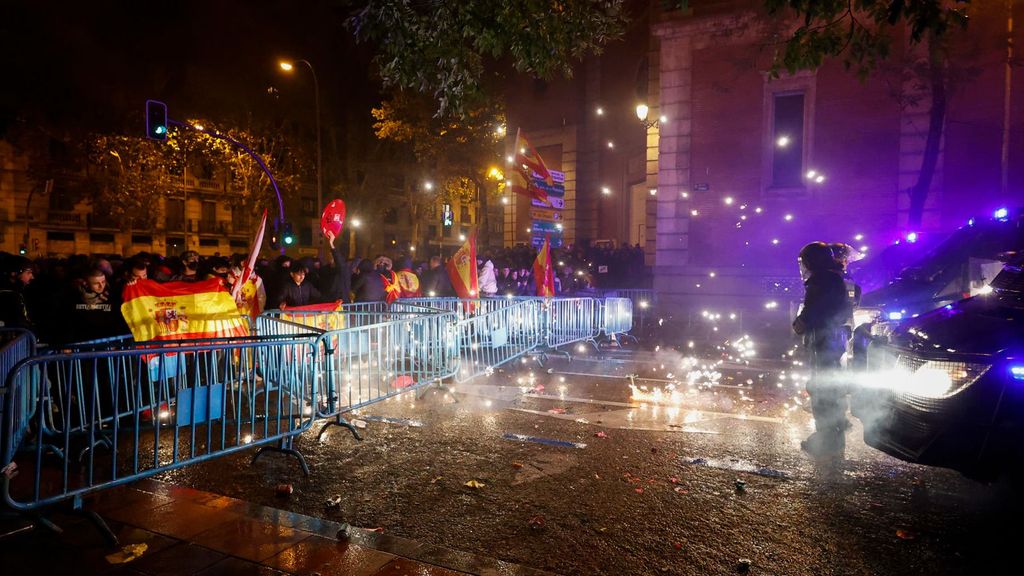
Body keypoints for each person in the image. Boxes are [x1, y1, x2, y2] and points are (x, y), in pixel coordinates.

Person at [793, 241, 852, 460]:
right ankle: (833, 439)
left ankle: (827, 440)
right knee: (829, 387)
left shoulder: (822, 280)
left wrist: (800, 323)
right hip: (833, 339)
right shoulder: (835, 277)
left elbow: (814, 310)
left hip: (824, 339)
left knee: (822, 389)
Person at [0, 256, 35, 330]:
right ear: (14, 273)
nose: (32, 277)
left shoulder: (17, 292)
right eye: (28, 273)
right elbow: (20, 324)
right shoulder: (10, 295)